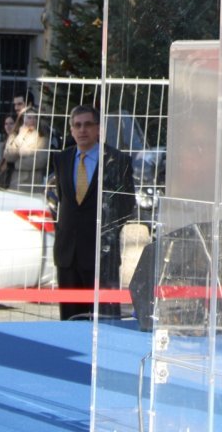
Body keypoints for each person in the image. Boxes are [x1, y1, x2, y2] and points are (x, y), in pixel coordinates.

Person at [52, 104, 135, 321]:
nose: (82, 130)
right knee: (70, 322)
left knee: (103, 322)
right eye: (77, 125)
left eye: (88, 124)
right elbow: (65, 201)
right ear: (71, 130)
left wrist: (105, 232)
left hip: (101, 255)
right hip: (67, 256)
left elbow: (126, 206)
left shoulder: (117, 161)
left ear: (99, 128)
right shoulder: (62, 159)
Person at [2, 107, 51, 191]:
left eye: (35, 117)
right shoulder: (15, 135)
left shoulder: (42, 138)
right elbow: (8, 156)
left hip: (33, 181)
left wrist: (17, 163)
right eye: (29, 117)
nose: (32, 120)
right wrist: (20, 137)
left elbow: (40, 161)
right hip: (15, 181)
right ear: (24, 119)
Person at [0, 113, 16, 188]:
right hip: (3, 172)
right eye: (6, 124)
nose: (8, 126)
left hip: (10, 174)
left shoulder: (16, 139)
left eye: (11, 123)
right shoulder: (7, 139)